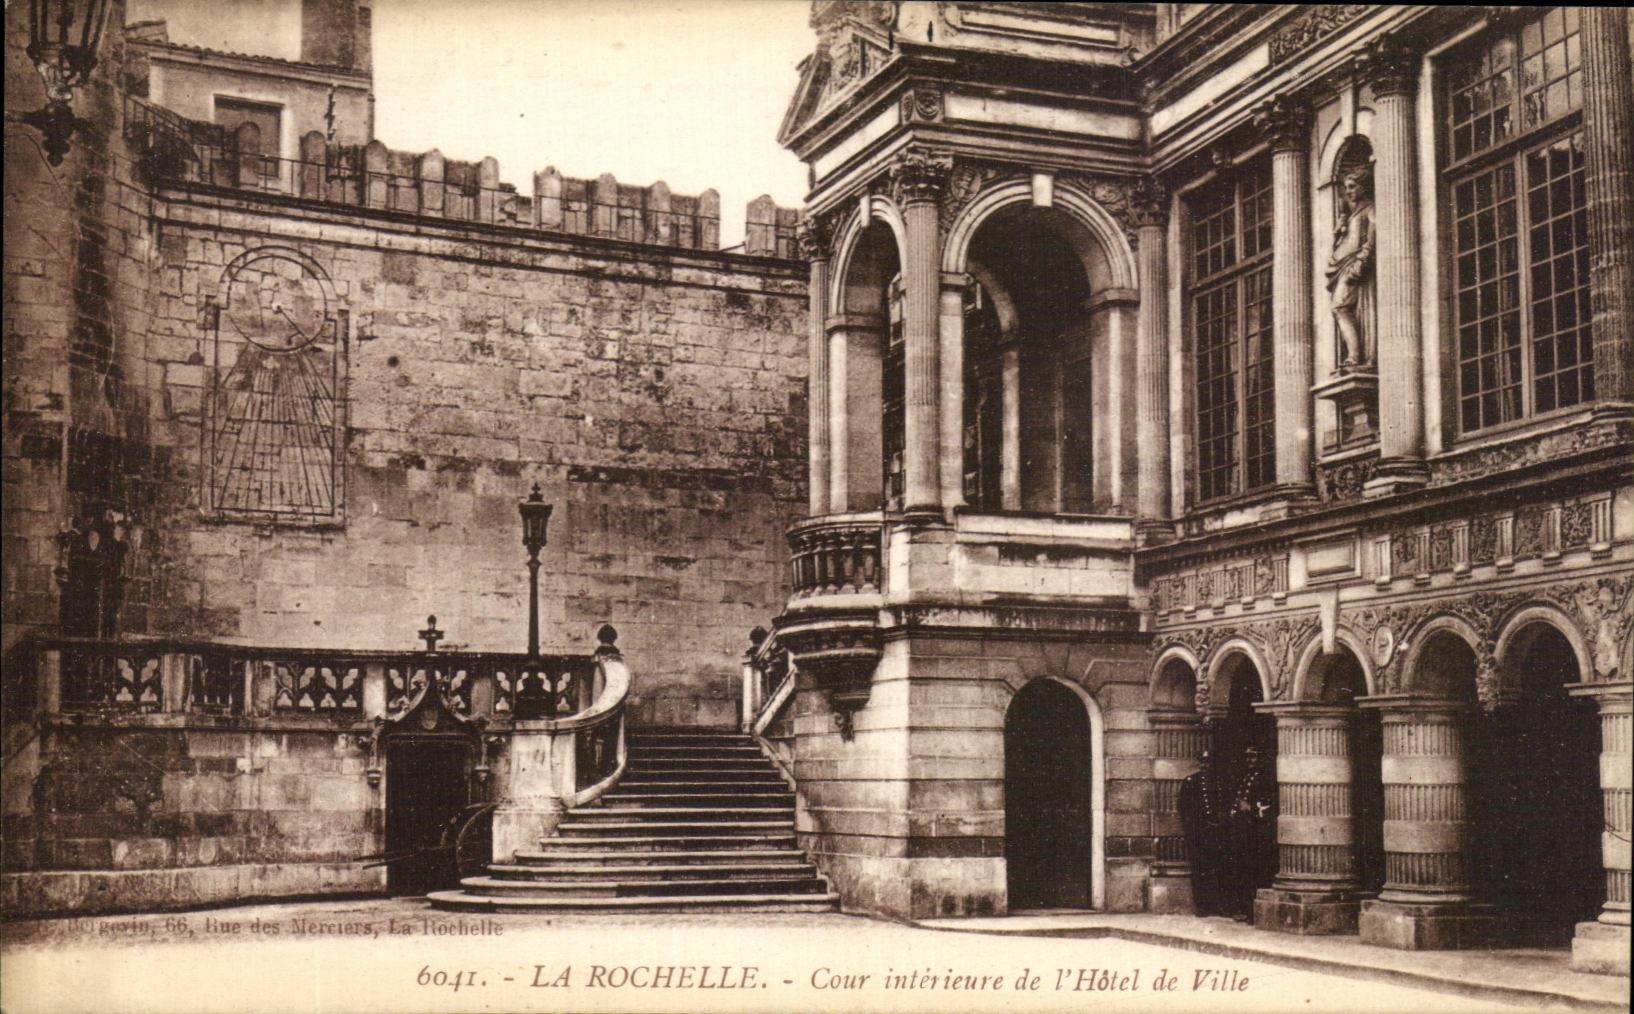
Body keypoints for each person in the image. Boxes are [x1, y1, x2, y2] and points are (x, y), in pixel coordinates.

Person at [1326, 164, 1376, 369]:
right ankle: (1354, 356)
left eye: (1353, 186)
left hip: (1353, 268)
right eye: (1347, 187)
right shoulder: (1352, 215)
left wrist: (1362, 260)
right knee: (1340, 308)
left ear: (1364, 187)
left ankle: (1356, 356)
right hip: (1343, 267)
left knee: (1339, 307)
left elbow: (1372, 236)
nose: (1348, 191)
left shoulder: (1369, 210)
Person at [1223, 744, 1277, 922]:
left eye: (1253, 757)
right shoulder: (1246, 777)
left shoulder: (1266, 778)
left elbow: (1269, 806)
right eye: (1247, 757)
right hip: (1243, 831)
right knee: (1243, 870)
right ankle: (1244, 908)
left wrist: (1251, 808)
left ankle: (1254, 912)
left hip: (1257, 831)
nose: (1250, 761)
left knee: (1256, 870)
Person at [1178, 748, 1224, 917]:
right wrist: (1192, 829)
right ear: (1199, 763)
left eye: (1208, 762)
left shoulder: (1218, 783)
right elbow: (1183, 809)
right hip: (1198, 834)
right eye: (1202, 762)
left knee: (1215, 869)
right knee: (1199, 870)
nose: (1205, 765)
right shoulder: (1190, 782)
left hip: (1214, 833)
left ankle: (1215, 905)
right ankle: (1201, 906)